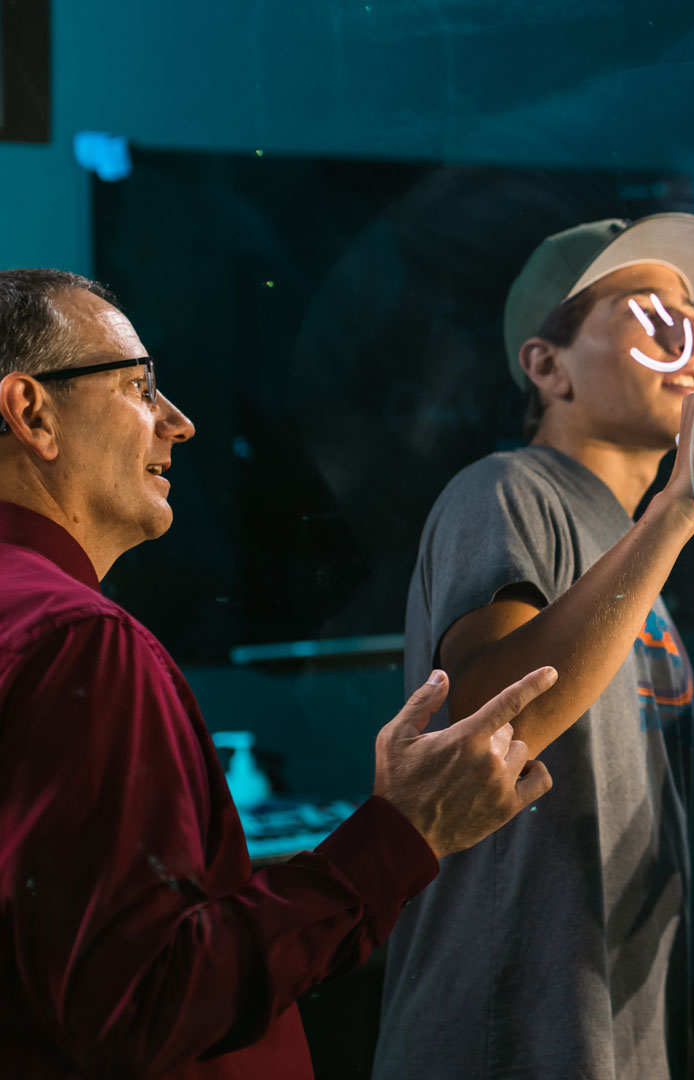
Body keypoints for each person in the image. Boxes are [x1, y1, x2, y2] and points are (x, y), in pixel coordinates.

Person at [0, 268, 558, 1079]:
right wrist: (403, 834)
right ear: (31, 412)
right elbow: (141, 1004)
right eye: (138, 385)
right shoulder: (79, 641)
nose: (179, 424)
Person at [374, 215, 694, 1080]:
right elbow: (497, 724)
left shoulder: (633, 551)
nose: (689, 336)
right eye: (648, 311)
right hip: (499, 1043)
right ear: (547, 365)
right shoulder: (505, 489)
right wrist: (680, 508)